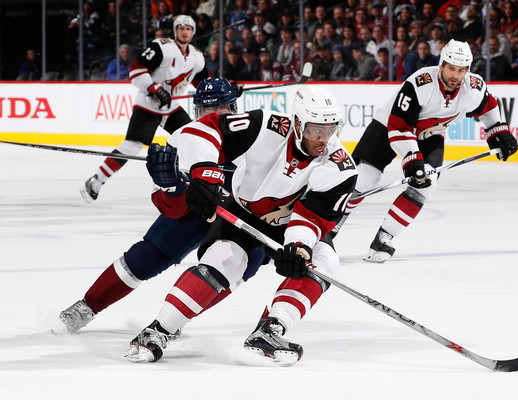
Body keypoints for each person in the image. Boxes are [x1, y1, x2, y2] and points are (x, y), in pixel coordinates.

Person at [125, 86, 357, 365]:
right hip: (243, 210)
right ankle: (158, 329)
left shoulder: (340, 167)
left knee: (324, 260)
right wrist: (205, 172)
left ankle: (271, 329)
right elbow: (202, 130)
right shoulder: (266, 126)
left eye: (330, 130)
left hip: (290, 223)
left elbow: (312, 218)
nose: (322, 139)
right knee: (226, 259)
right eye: (314, 130)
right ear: (297, 123)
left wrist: (298, 247)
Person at [60, 78, 269, 334]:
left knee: (247, 263)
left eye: (221, 111)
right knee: (144, 258)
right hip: (194, 211)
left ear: (234, 111)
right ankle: (87, 307)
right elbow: (172, 210)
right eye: (205, 111)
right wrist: (171, 186)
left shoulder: (258, 139)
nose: (213, 118)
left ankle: (176, 318)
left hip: (236, 215)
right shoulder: (183, 139)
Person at [331, 39, 518, 262]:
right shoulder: (420, 83)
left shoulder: (473, 88)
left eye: (460, 70)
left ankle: (383, 238)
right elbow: (399, 126)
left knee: (426, 184)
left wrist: (498, 132)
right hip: (387, 125)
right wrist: (412, 160)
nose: (454, 75)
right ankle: (329, 229)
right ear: (441, 64)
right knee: (364, 179)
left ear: (467, 70)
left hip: (431, 135)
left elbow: (489, 108)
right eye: (450, 68)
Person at [80, 15, 208, 203]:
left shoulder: (197, 56)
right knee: (131, 146)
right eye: (181, 28)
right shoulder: (162, 46)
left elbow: (203, 83)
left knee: (193, 139)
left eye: (188, 29)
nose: (184, 31)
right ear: (175, 31)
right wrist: (154, 88)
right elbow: (136, 69)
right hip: (148, 105)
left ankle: (196, 187)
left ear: (193, 32)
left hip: (171, 108)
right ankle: (96, 181)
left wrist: (228, 86)